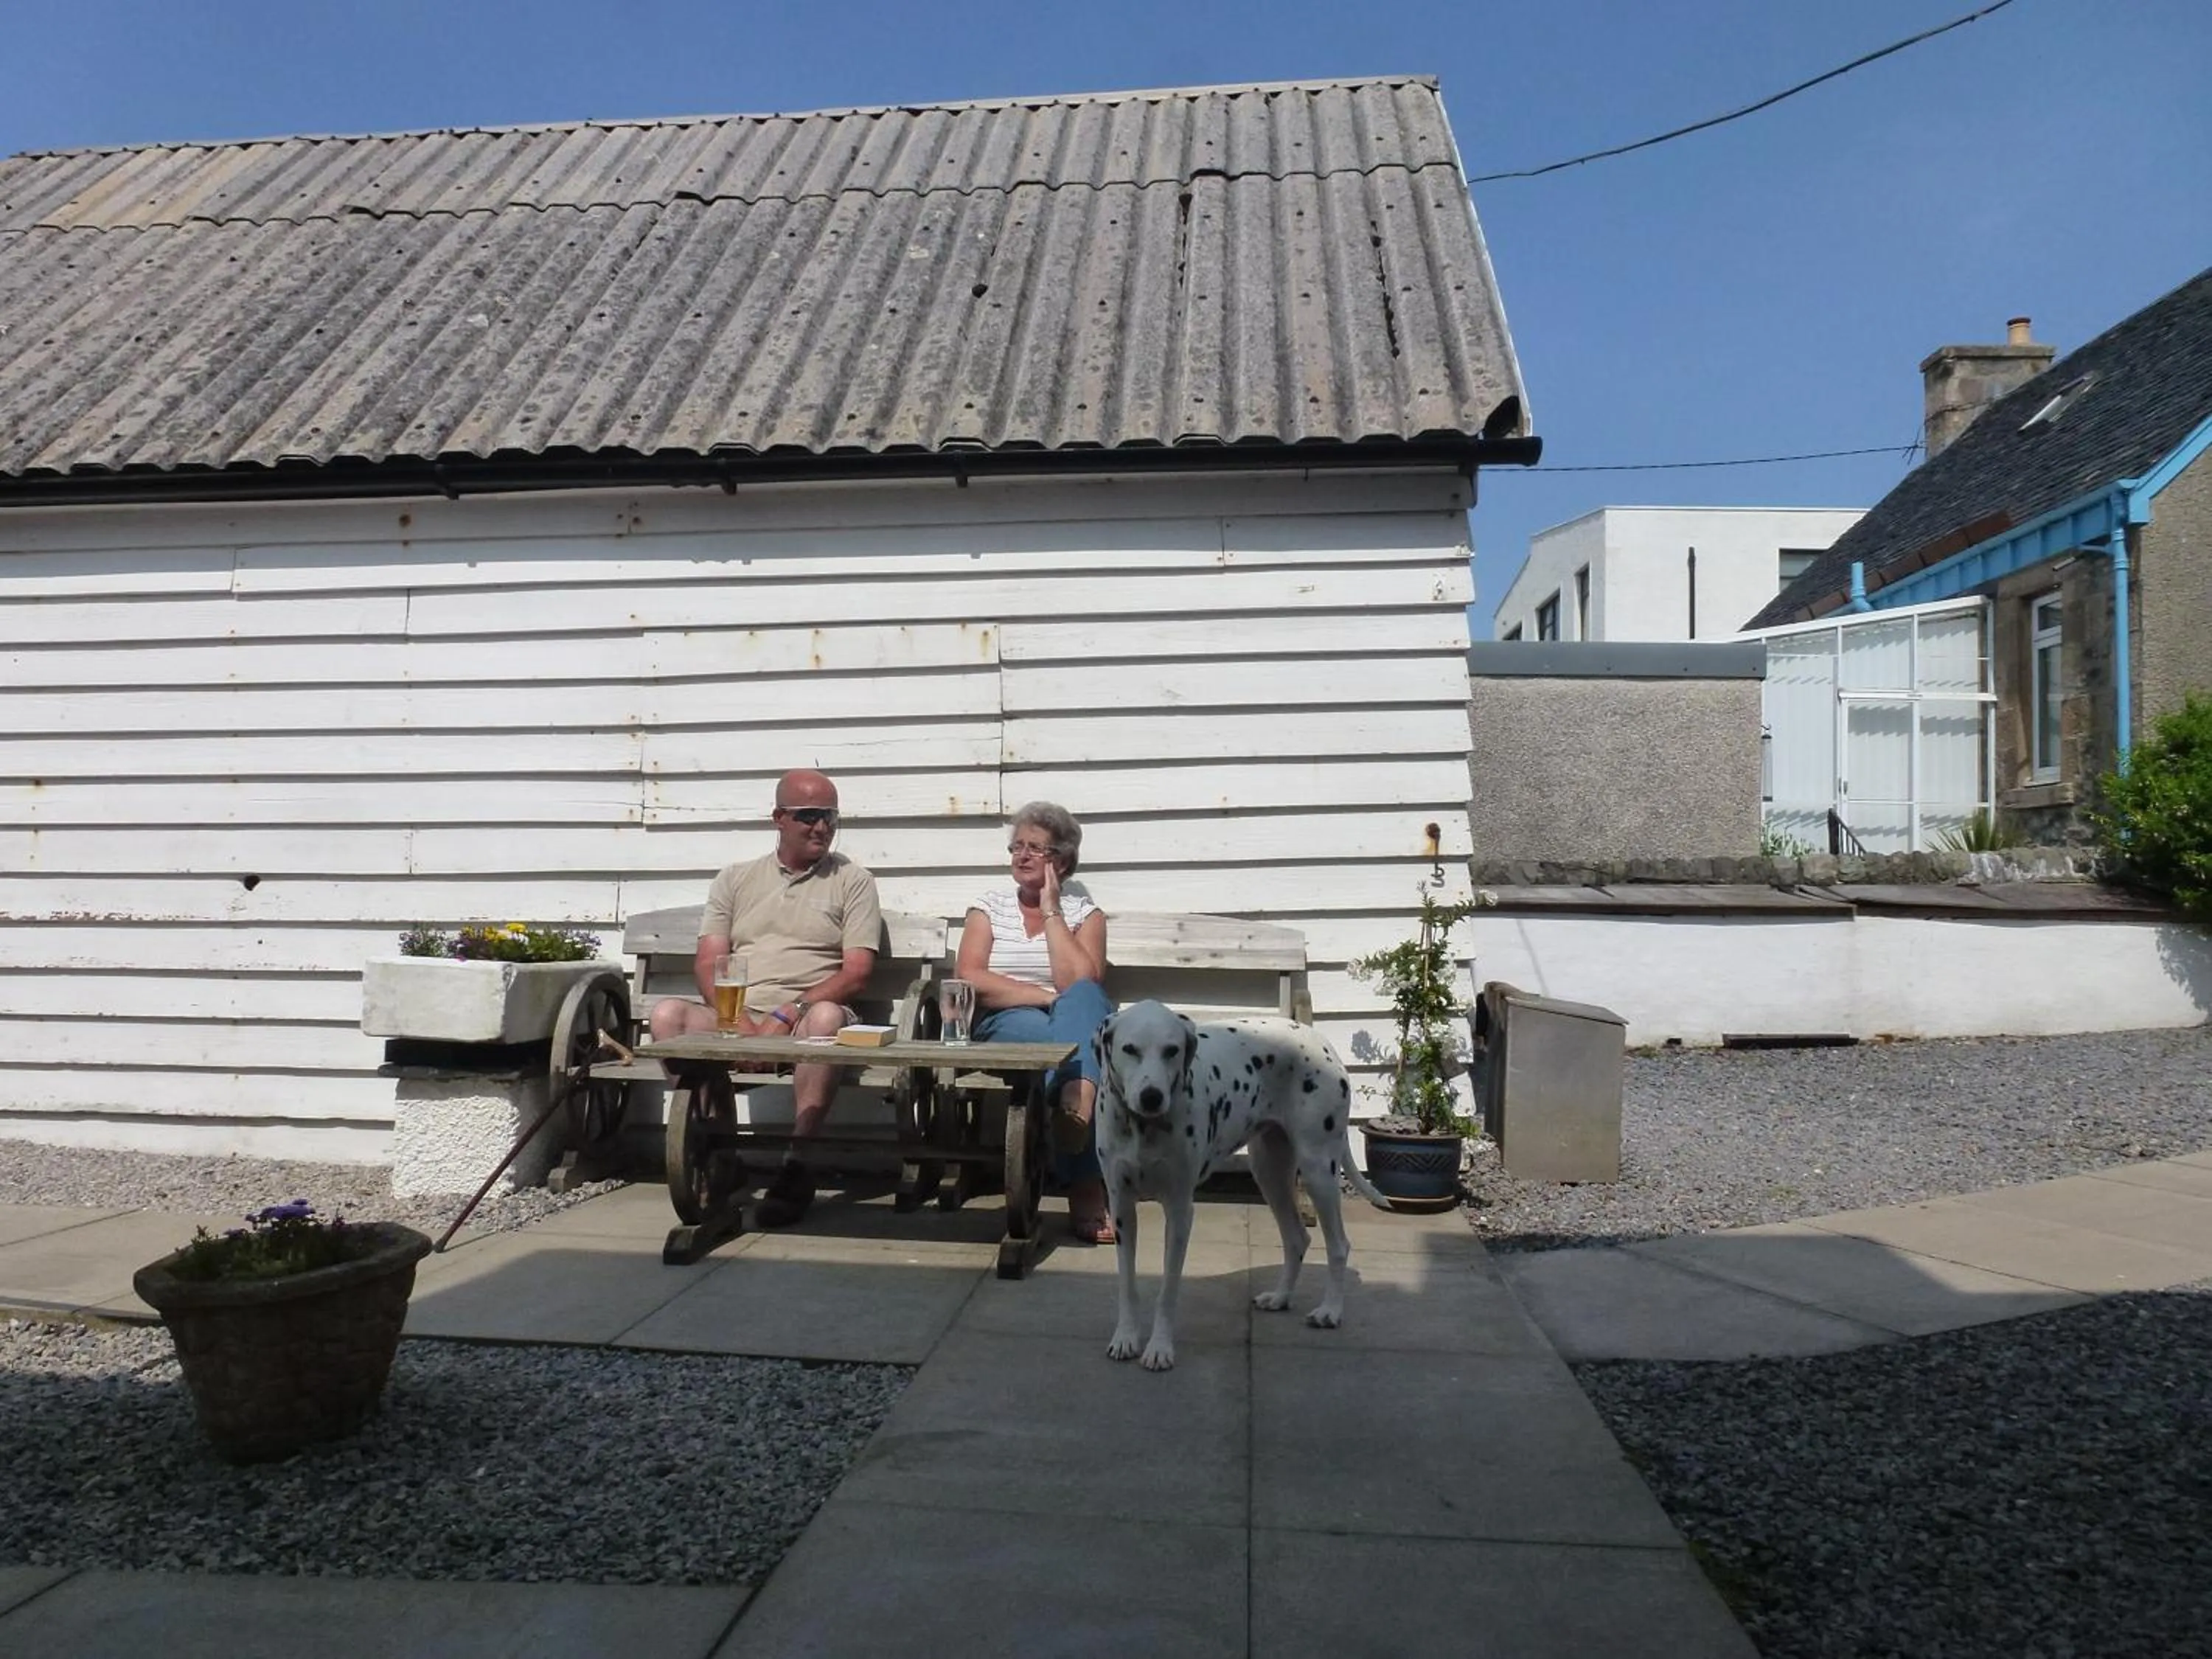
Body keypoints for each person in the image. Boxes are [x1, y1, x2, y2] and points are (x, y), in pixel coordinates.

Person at [650, 768, 882, 1227]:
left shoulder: (852, 880)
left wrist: (786, 1011)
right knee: (667, 1016)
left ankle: (798, 1165)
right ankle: (722, 1152)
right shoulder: (736, 879)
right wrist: (736, 1022)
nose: (822, 828)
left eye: (831, 818)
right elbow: (708, 963)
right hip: (742, 1012)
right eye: (809, 816)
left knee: (825, 1018)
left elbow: (857, 972)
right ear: (778, 818)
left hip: (807, 1014)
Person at [955, 801, 1116, 1242]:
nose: (1022, 856)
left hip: (1075, 1019)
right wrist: (1046, 997)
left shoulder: (1085, 913)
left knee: (1084, 999)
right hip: (1005, 1021)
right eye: (1017, 847)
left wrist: (1051, 911)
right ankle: (1085, 1181)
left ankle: (1073, 1105)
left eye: (1036, 849)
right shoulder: (988, 907)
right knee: (1068, 1044)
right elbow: (970, 979)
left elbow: (1082, 982)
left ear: (1061, 862)